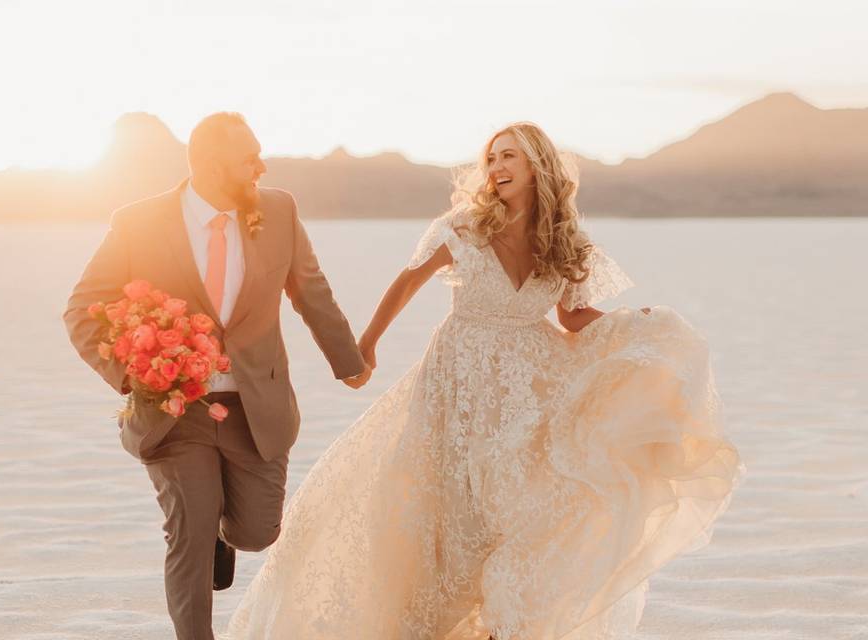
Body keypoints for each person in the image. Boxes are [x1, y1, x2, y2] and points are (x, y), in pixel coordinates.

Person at [225, 122, 744, 639]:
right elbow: (408, 281)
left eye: (509, 157)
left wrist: (633, 327)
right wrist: (367, 345)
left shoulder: (565, 242)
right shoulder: (467, 226)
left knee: (529, 500)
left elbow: (573, 319)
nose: (496, 168)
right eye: (491, 158)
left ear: (537, 164)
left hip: (527, 379)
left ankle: (502, 620)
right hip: (458, 376)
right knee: (449, 504)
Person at [63, 112, 371, 640]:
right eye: (249, 156)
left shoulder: (277, 210)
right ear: (211, 165)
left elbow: (311, 291)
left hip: (255, 410)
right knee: (189, 533)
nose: (261, 165)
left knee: (257, 531)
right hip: (173, 413)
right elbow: (83, 307)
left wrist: (349, 363)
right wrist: (134, 375)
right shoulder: (139, 222)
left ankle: (222, 536)